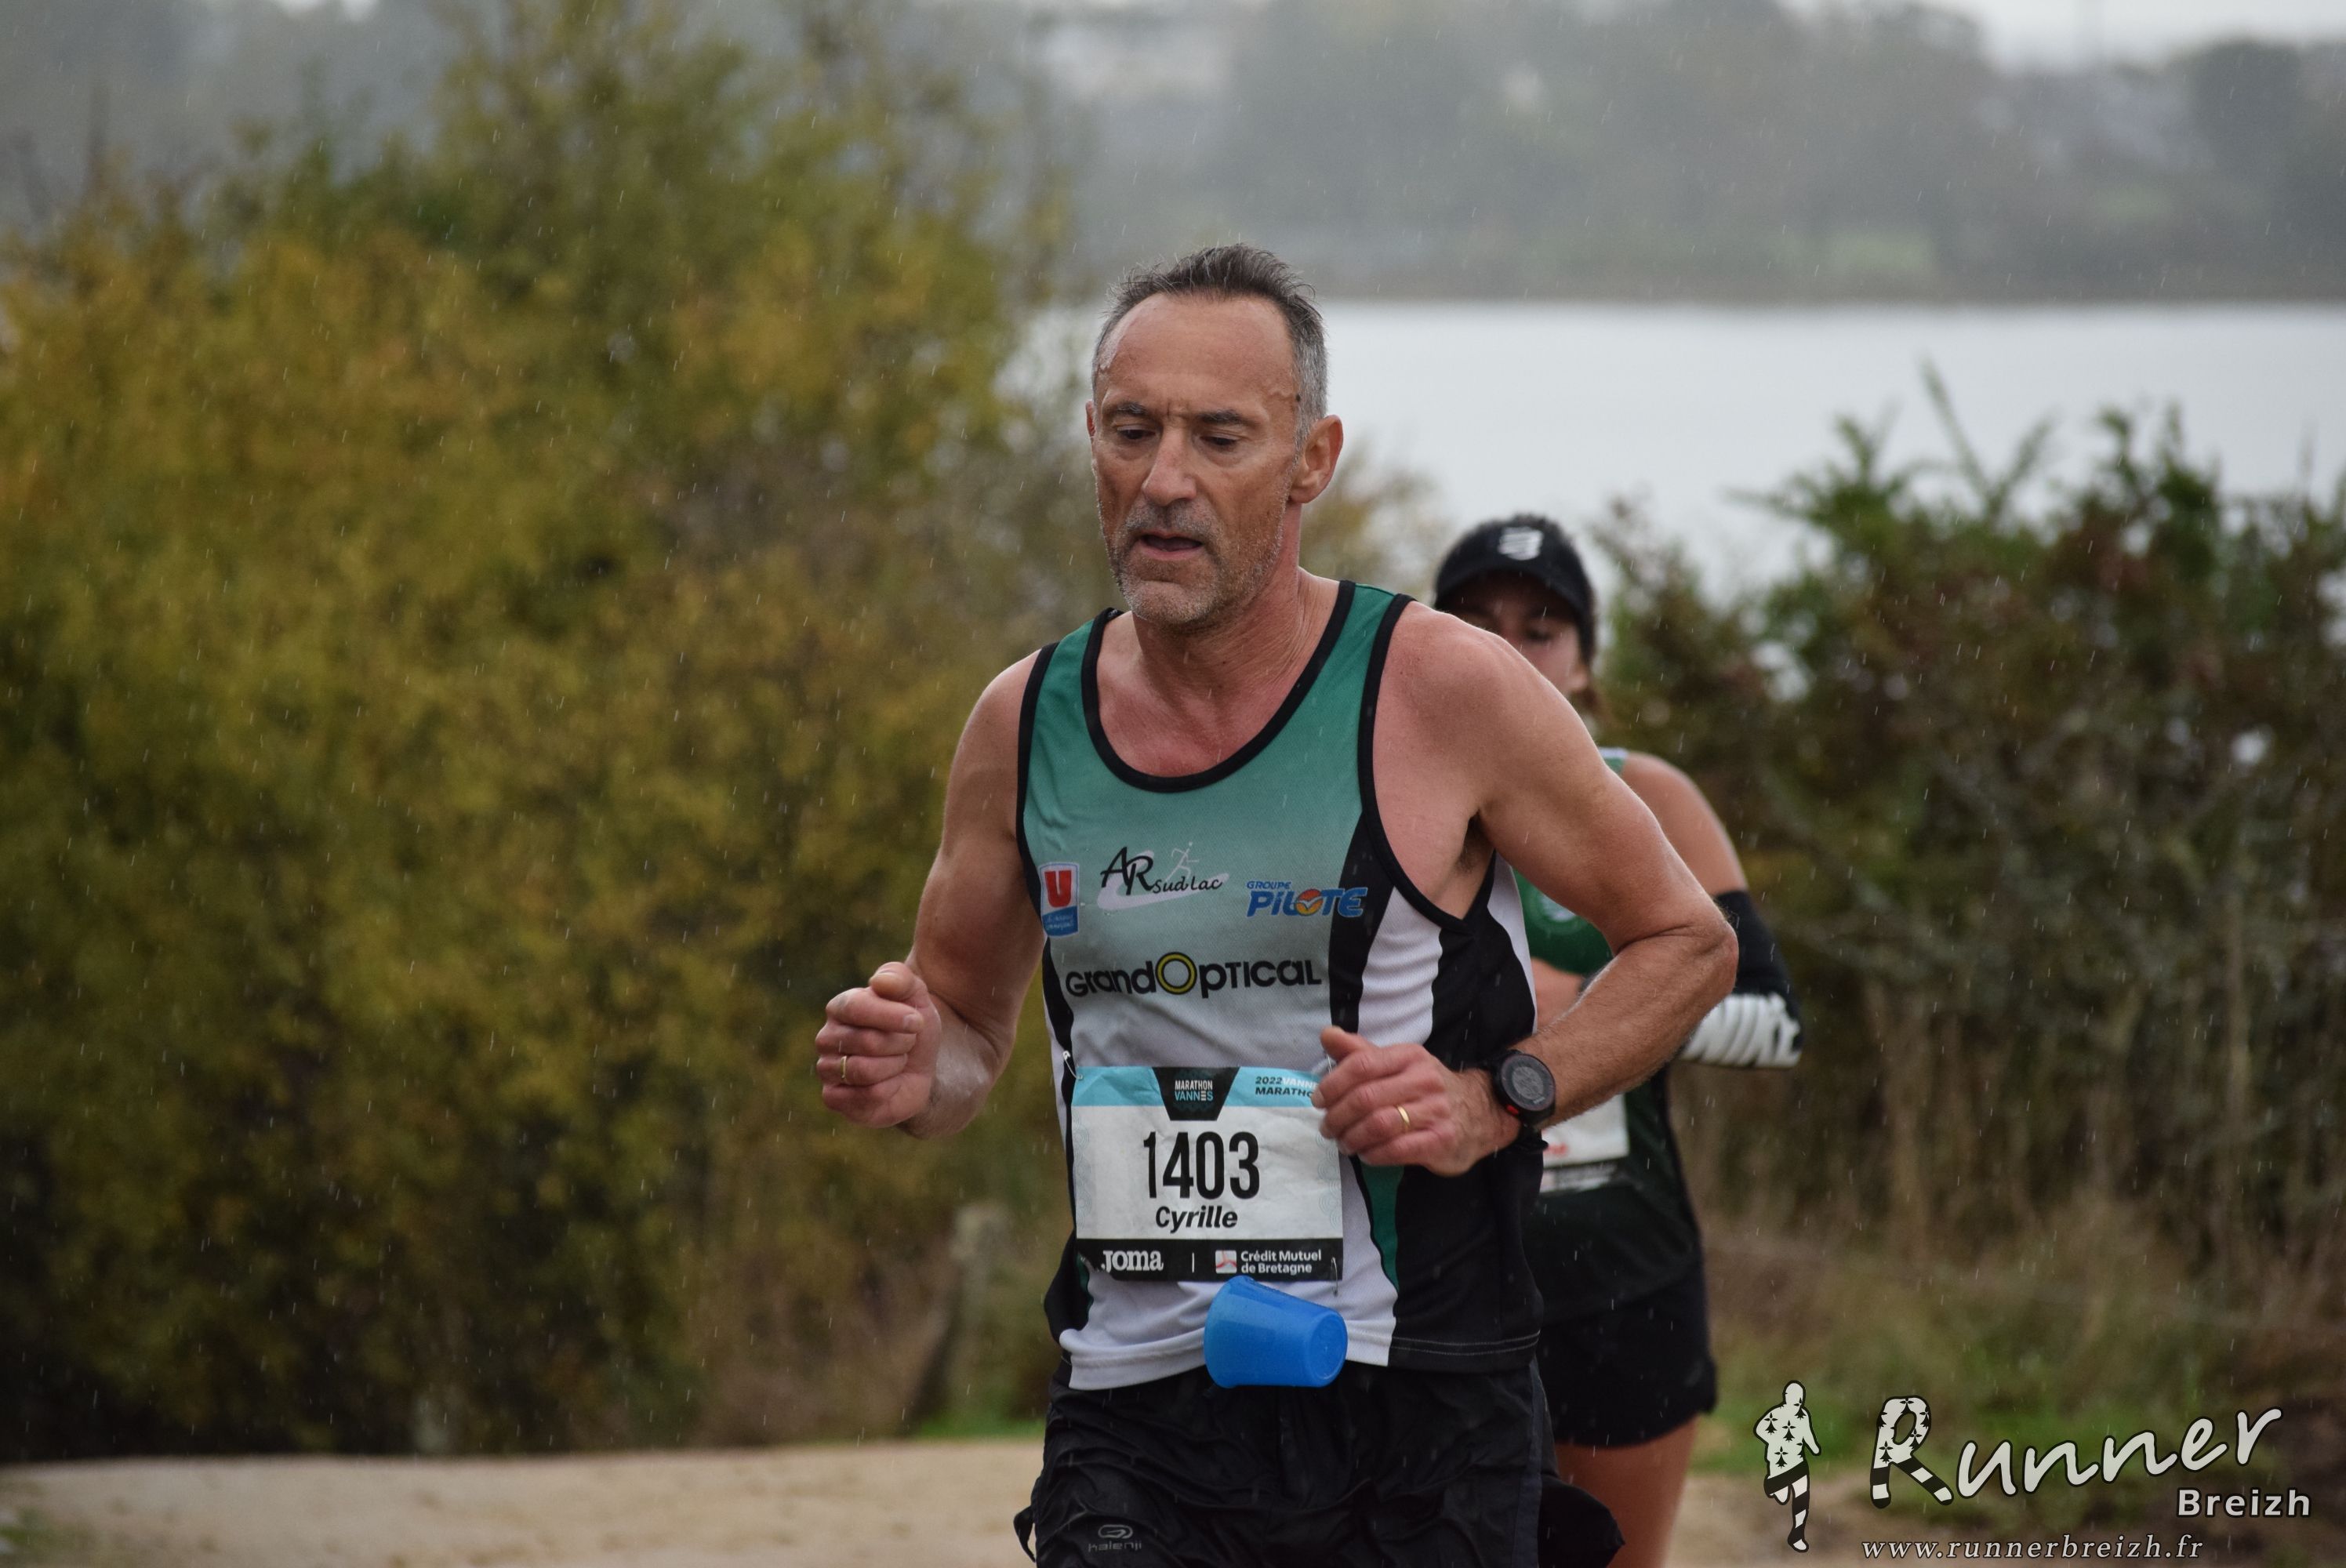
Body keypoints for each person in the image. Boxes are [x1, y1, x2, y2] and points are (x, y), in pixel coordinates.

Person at [814, 243, 1735, 1568]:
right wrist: (918, 1069)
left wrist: (1499, 1099)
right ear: (1092, 440)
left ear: (1312, 461)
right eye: (1132, 430)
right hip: (1138, 1408)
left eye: (1219, 437)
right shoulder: (1023, 723)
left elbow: (1688, 941)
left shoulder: (1444, 690)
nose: (1164, 479)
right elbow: (963, 1029)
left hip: (1420, 1388)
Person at [1433, 516, 1804, 1568]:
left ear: (1587, 663)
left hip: (1620, 1278)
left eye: (1541, 628)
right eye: (1477, 624)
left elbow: (1775, 1023)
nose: (1510, 651)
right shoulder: (1385, 799)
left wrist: (1599, 1008)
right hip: (1440, 1280)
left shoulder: (1652, 795)